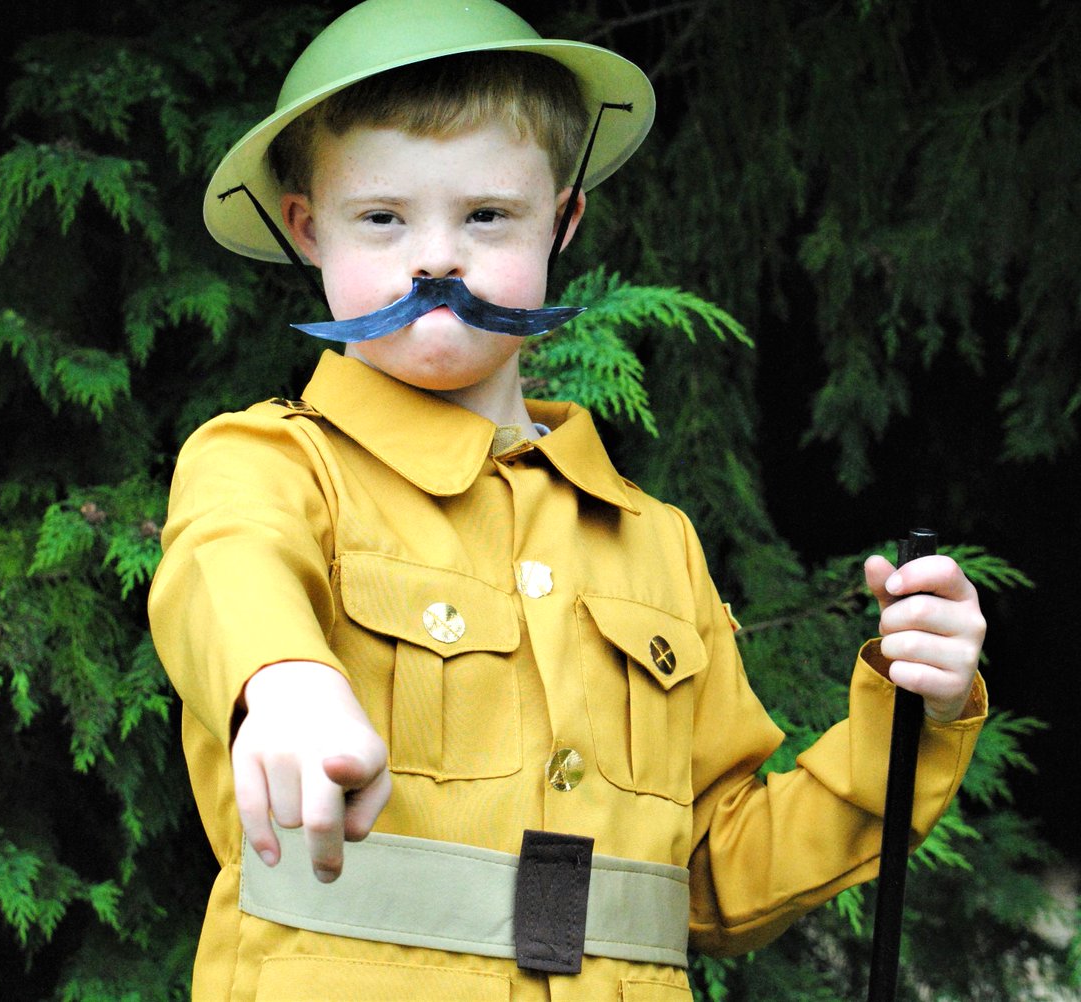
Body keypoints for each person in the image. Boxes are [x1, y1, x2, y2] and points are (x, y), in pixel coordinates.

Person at [147, 1, 988, 998]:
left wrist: (918, 715)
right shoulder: (267, 466)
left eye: (487, 216)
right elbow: (224, 566)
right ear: (306, 230)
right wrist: (284, 682)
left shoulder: (656, 544)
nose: (435, 260)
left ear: (564, 220)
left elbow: (718, 878)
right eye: (382, 218)